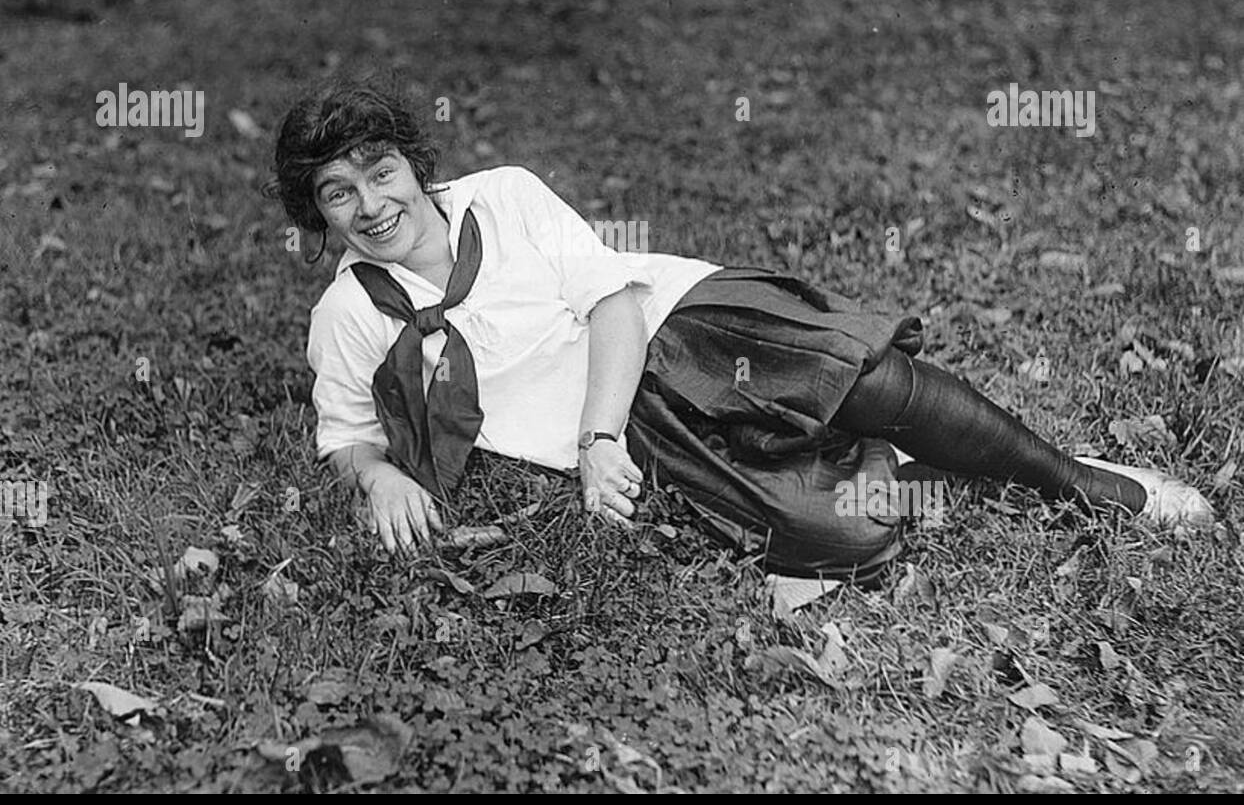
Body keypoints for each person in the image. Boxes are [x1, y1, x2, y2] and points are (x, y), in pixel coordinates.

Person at [271, 80, 1214, 583]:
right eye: (339, 192)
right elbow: (344, 433)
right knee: (838, 532)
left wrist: (595, 441)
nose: (372, 203)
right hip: (647, 429)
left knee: (863, 379)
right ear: (319, 215)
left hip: (671, 331)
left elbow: (612, 304)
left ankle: (1089, 482)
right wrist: (381, 472)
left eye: (380, 170)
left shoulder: (502, 196)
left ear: (412, 163)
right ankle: (946, 468)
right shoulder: (348, 313)